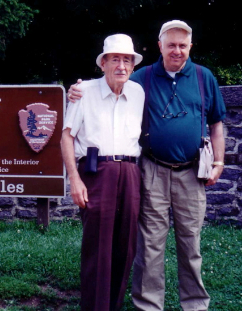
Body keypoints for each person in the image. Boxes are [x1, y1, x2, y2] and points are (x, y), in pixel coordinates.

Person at [67, 20, 226, 311]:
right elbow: (110, 82)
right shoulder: (143, 78)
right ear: (160, 47)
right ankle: (148, 306)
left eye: (182, 45)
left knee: (191, 244)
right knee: (150, 245)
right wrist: (76, 90)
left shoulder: (205, 78)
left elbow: (216, 123)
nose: (176, 50)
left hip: (191, 173)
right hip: (152, 169)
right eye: (171, 45)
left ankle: (194, 305)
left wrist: (218, 161)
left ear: (190, 46)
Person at [61, 34, 145, 311]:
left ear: (133, 66)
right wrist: (74, 179)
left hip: (131, 172)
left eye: (127, 60)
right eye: (115, 60)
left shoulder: (138, 93)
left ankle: (114, 305)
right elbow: (66, 137)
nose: (121, 66)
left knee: (126, 244)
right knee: (98, 246)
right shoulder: (84, 91)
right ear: (103, 63)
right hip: (97, 172)